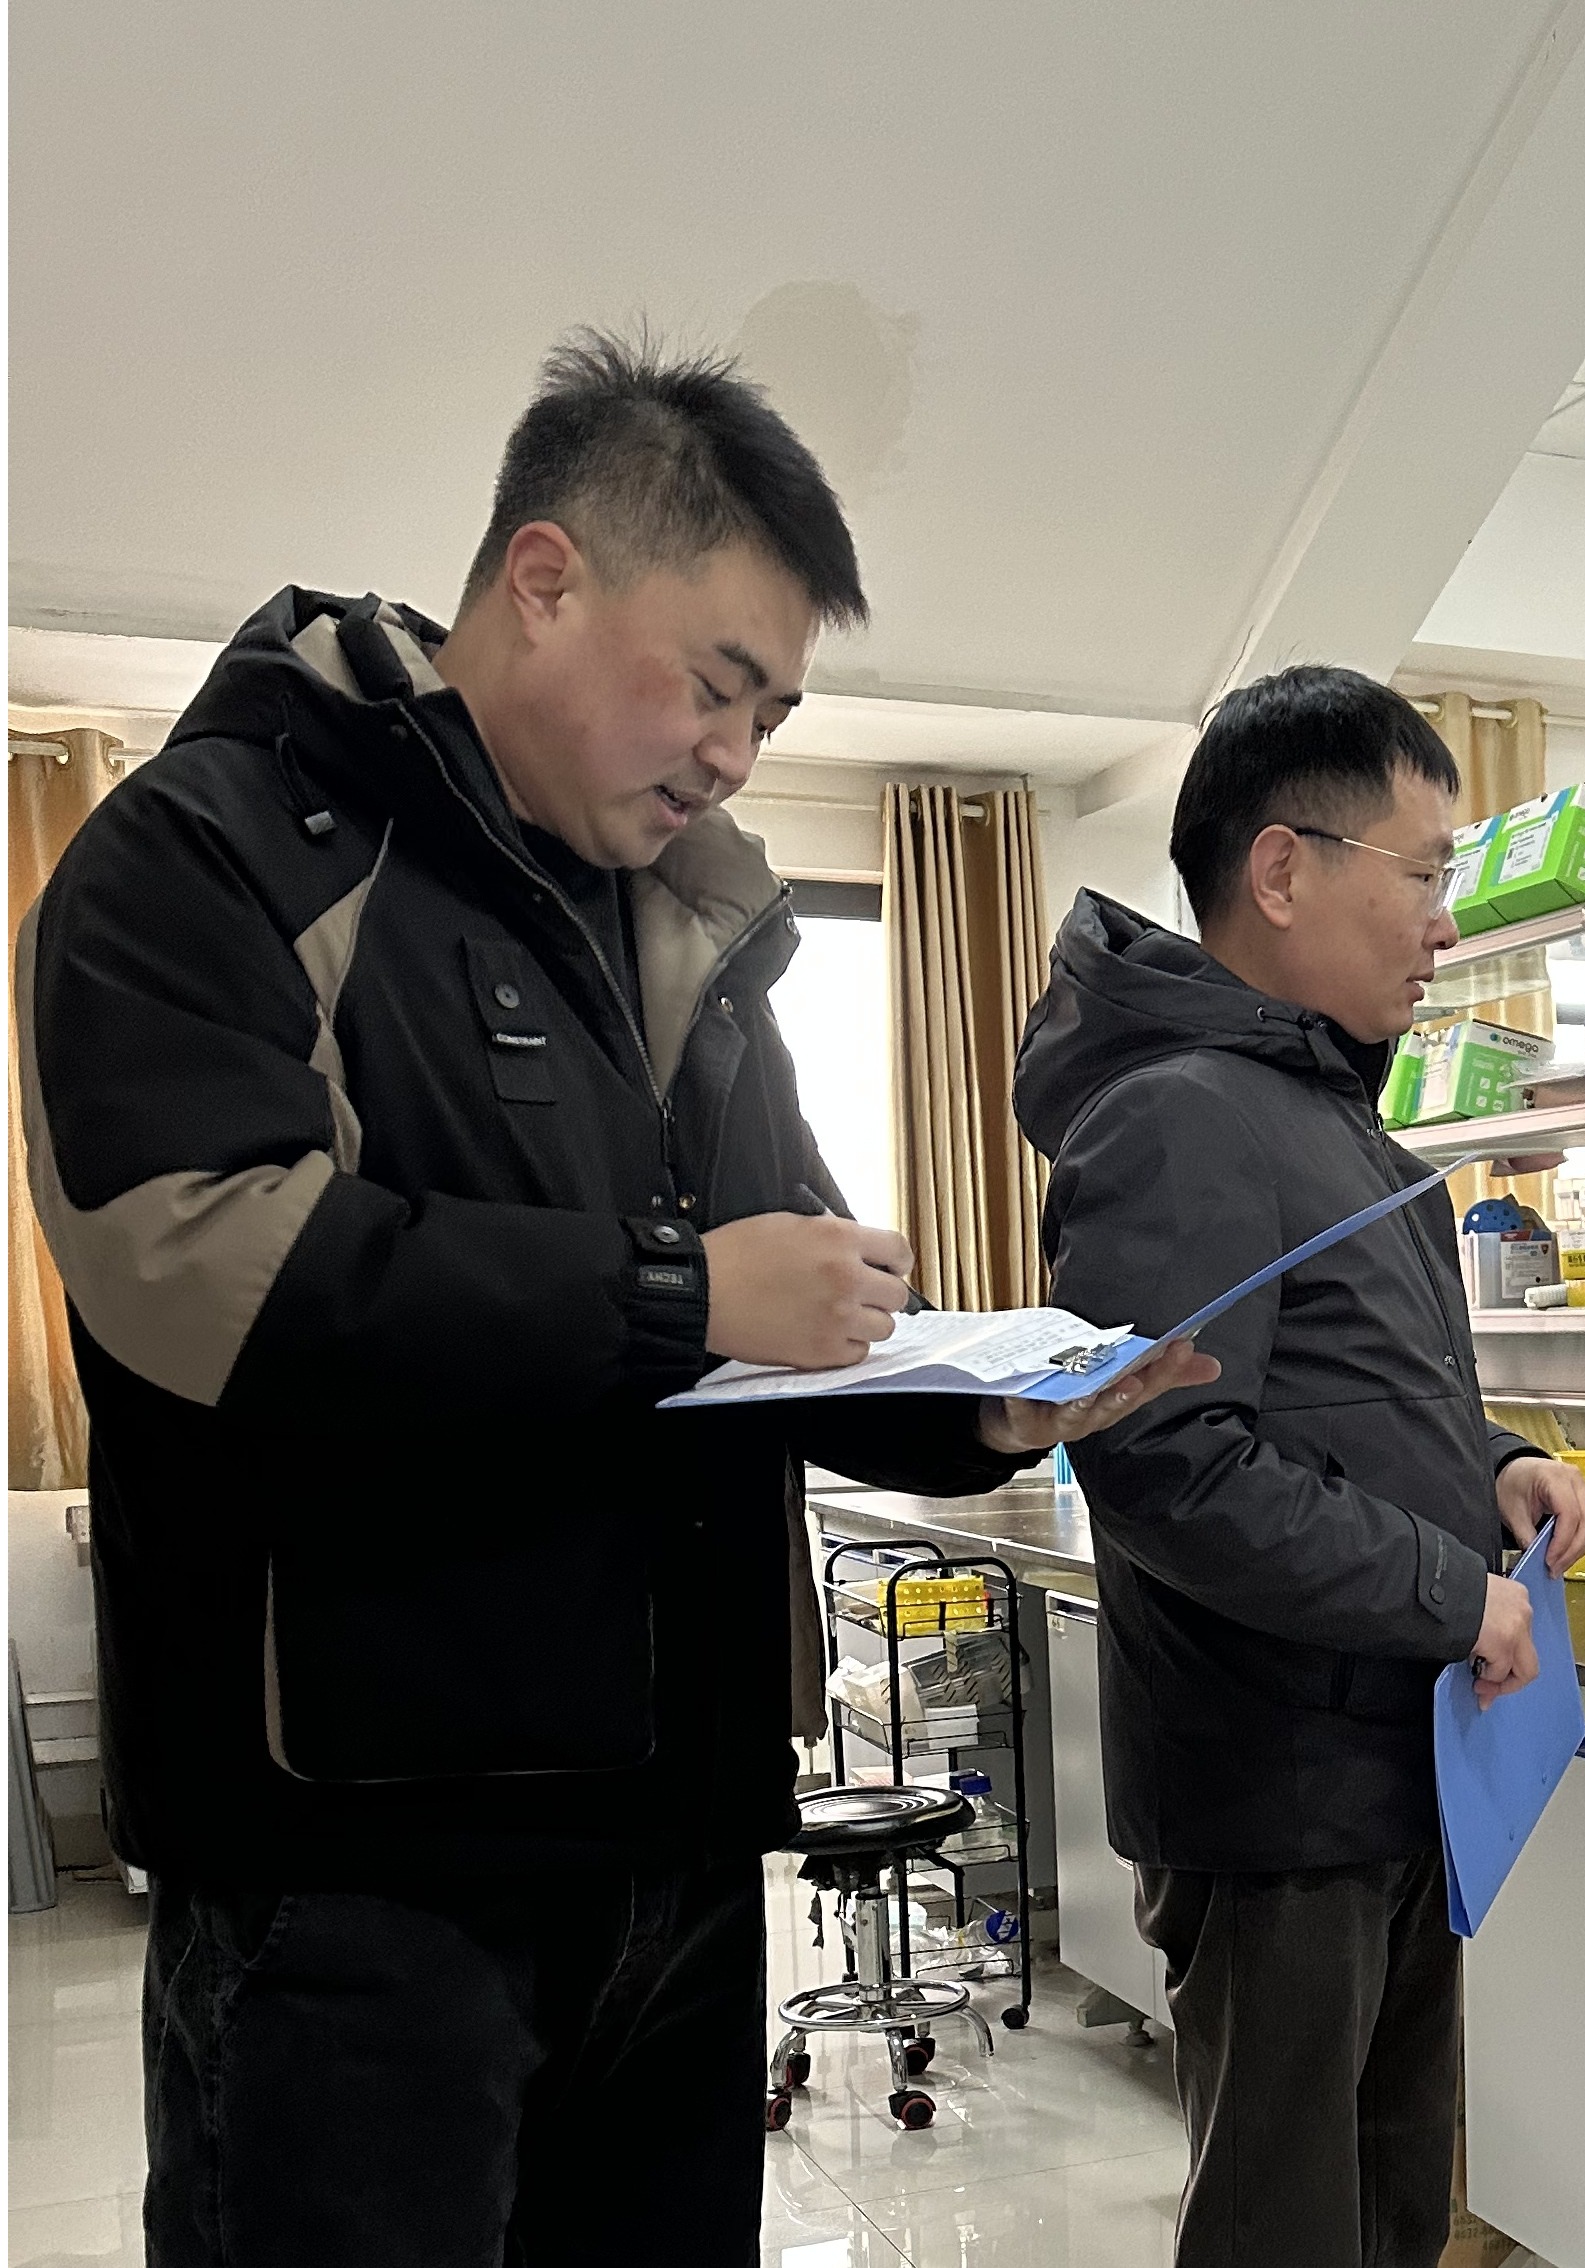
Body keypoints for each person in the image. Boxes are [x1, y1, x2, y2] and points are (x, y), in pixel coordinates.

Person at [15, 330, 1212, 2268]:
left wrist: (989, 1404)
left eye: (774, 716)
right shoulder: (217, 848)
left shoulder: (696, 939)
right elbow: (200, 1263)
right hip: (365, 1880)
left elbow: (794, 1301)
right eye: (717, 686)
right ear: (546, 578)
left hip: (677, 1854)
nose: (736, 754)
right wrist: (685, 1289)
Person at [1013, 663, 1585, 2268]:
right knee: (1289, 2230)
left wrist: (1493, 1467)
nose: (1445, 927)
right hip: (1279, 1800)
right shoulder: (1178, 1118)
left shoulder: (1326, 1119)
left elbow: (1342, 1395)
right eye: (1423, 875)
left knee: (1390, 2213)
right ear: (1282, 870)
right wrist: (1450, 1594)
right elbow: (1166, 1461)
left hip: (1392, 1771)